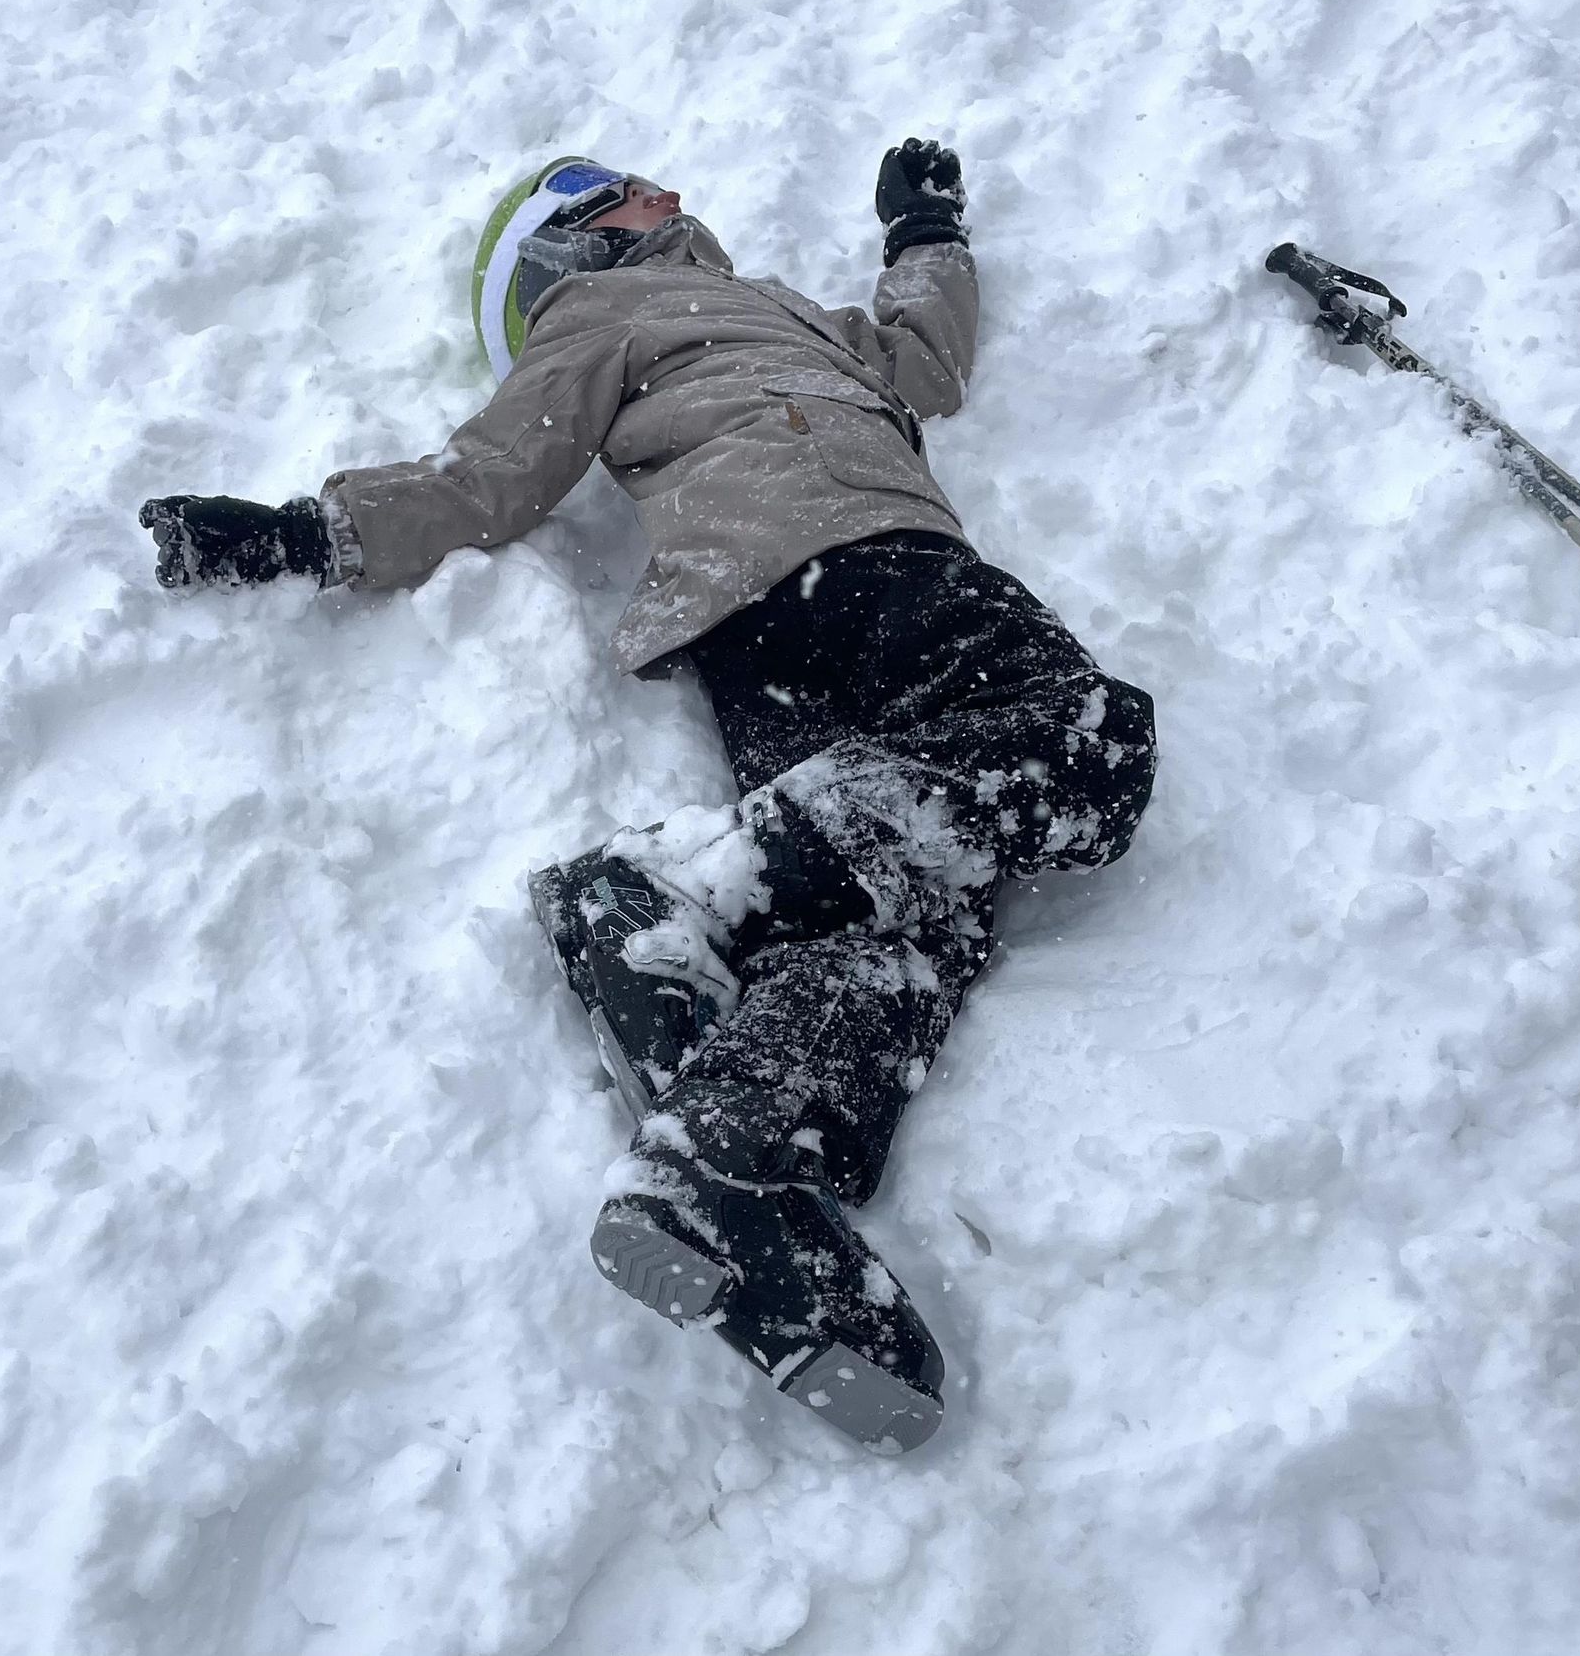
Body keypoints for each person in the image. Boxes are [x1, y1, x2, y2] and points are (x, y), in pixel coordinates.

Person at [140, 143, 1157, 1453]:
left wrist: (923, 226)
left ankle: (726, 1161)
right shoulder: (598, 318)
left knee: (919, 921)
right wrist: (300, 533)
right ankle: (693, 887)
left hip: (764, 641)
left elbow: (927, 358)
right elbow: (483, 483)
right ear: (568, 250)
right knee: (1093, 749)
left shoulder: (798, 312)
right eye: (627, 196)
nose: (668, 198)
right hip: (871, 579)